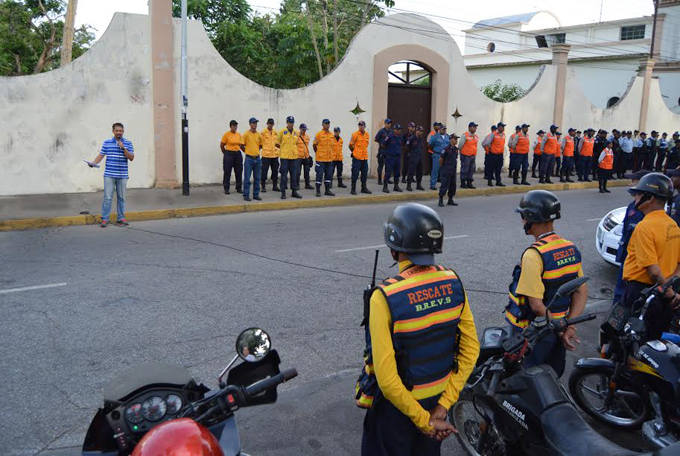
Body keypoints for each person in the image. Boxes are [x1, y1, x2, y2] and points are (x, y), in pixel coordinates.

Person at [360, 203, 480, 456]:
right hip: (437, 400)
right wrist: (443, 406)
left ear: (394, 250)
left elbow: (387, 380)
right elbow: (471, 350)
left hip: (398, 411)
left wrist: (423, 420)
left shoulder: (384, 296)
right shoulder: (453, 280)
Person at [505, 190, 587, 377]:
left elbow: (536, 305)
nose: (522, 221)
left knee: (528, 379)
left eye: (523, 216)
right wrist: (569, 326)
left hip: (535, 333)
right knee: (552, 376)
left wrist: (559, 330)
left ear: (531, 218)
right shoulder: (569, 247)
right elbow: (581, 292)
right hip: (561, 327)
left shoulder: (534, 255)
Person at [623, 173, 680, 340]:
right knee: (654, 339)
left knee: (631, 341)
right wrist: (672, 292)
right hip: (664, 294)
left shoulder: (644, 227)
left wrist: (668, 293)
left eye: (639, 194)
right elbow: (678, 265)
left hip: (643, 293)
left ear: (650, 198)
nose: (635, 198)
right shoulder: (673, 225)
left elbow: (653, 271)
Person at [612, 170, 651, 305]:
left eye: (633, 181)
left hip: (635, 260)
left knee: (627, 295)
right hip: (626, 256)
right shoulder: (632, 206)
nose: (630, 184)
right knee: (619, 291)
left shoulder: (644, 211)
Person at [87, 122, 135, 228]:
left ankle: (121, 218)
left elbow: (131, 157)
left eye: (121, 131)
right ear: (113, 131)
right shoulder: (107, 143)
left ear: (123, 131)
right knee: (107, 197)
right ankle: (105, 219)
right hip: (109, 174)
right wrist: (94, 163)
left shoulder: (128, 143)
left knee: (121, 197)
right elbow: (101, 155)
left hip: (122, 175)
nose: (119, 132)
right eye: (117, 130)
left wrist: (123, 148)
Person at [276, 116, 301, 200]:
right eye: (290, 122)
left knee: (294, 175)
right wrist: (283, 149)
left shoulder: (296, 133)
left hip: (294, 157)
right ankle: (283, 192)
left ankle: (294, 191)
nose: (291, 124)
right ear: (287, 122)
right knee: (284, 175)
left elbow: (296, 143)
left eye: (292, 122)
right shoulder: (282, 132)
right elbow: (277, 143)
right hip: (285, 157)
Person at [241, 117, 263, 202]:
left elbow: (261, 145)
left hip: (257, 159)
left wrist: (256, 151)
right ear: (250, 124)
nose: (255, 124)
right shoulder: (246, 134)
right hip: (249, 159)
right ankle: (246, 195)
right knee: (247, 178)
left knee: (257, 178)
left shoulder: (259, 135)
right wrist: (247, 152)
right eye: (253, 123)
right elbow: (241, 145)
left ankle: (256, 194)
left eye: (256, 123)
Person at [220, 120, 243, 195]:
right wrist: (225, 153)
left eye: (236, 126)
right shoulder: (226, 134)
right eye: (233, 126)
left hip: (237, 154)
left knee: (239, 171)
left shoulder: (239, 135)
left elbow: (241, 145)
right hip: (229, 154)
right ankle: (226, 188)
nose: (235, 127)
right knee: (227, 172)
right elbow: (222, 145)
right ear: (230, 126)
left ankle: (238, 187)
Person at [349, 120, 372, 195]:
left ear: (365, 126)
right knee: (355, 174)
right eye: (359, 125)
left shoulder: (367, 135)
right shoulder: (355, 134)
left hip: (364, 158)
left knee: (364, 174)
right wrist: (354, 152)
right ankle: (353, 188)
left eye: (362, 125)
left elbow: (366, 145)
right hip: (357, 158)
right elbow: (350, 145)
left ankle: (364, 188)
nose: (361, 127)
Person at [314, 119, 335, 197]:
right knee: (319, 175)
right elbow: (314, 145)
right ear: (322, 124)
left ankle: (327, 190)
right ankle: (318, 191)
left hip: (329, 159)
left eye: (328, 123)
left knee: (328, 175)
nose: (327, 125)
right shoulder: (319, 134)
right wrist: (318, 153)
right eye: (326, 123)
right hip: (321, 159)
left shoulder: (332, 135)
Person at [382, 124, 405, 193]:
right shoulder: (389, 137)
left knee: (397, 173)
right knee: (388, 172)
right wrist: (388, 152)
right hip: (390, 157)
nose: (399, 131)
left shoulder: (400, 137)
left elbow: (401, 145)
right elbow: (383, 145)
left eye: (400, 129)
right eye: (398, 129)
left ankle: (396, 186)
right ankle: (385, 187)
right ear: (394, 130)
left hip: (397, 157)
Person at [482, 122, 506, 187]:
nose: (503, 128)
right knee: (491, 168)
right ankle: (489, 181)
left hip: (500, 154)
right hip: (493, 154)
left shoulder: (503, 134)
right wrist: (491, 148)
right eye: (502, 127)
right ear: (498, 127)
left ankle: (498, 181)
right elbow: (487, 143)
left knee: (499, 168)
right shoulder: (493, 134)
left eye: (504, 127)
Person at [438, 134, 459, 207]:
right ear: (450, 139)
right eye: (455, 139)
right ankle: (440, 200)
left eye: (456, 139)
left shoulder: (456, 149)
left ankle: (450, 199)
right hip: (446, 169)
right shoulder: (446, 149)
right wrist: (443, 167)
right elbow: (441, 159)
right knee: (444, 185)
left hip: (453, 169)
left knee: (453, 185)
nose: (456, 140)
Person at [260, 118, 280, 193]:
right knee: (264, 171)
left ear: (273, 124)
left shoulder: (275, 133)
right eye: (269, 123)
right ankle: (263, 186)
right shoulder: (263, 132)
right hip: (266, 155)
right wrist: (266, 149)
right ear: (267, 123)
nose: (270, 125)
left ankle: (275, 186)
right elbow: (260, 144)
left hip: (274, 155)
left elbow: (277, 143)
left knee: (275, 171)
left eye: (272, 123)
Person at [428, 124, 450, 190]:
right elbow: (430, 145)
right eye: (443, 129)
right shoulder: (435, 136)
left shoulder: (447, 137)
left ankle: (443, 185)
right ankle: (433, 185)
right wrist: (435, 151)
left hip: (445, 156)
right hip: (437, 155)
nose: (444, 130)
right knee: (435, 170)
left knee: (444, 171)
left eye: (445, 129)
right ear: (439, 129)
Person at [404, 125, 425, 191]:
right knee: (411, 172)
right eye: (420, 131)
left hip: (419, 157)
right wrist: (410, 154)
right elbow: (406, 148)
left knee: (420, 172)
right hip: (413, 157)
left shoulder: (421, 139)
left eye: (422, 131)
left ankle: (418, 185)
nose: (421, 132)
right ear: (416, 131)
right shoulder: (411, 138)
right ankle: (408, 185)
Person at [458, 122, 478, 189]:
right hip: (465, 155)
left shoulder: (476, 136)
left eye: (475, 127)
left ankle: (469, 183)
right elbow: (460, 145)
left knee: (471, 169)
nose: (475, 128)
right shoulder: (465, 135)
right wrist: (461, 152)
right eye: (473, 127)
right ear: (469, 127)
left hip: (472, 155)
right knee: (465, 169)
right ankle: (463, 183)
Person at [374, 119, 392, 185]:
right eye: (387, 123)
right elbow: (375, 139)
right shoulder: (381, 131)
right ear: (385, 123)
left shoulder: (391, 132)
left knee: (388, 166)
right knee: (381, 166)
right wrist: (381, 142)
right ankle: (379, 180)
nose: (389, 124)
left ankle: (387, 179)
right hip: (382, 150)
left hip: (389, 151)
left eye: (390, 123)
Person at [296, 123, 314, 190]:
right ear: (300, 129)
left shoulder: (307, 137)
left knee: (307, 171)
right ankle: (297, 185)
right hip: (299, 157)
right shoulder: (296, 137)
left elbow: (306, 147)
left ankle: (307, 184)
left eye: (305, 130)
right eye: (303, 129)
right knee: (298, 172)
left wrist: (308, 155)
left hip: (306, 156)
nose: (304, 131)